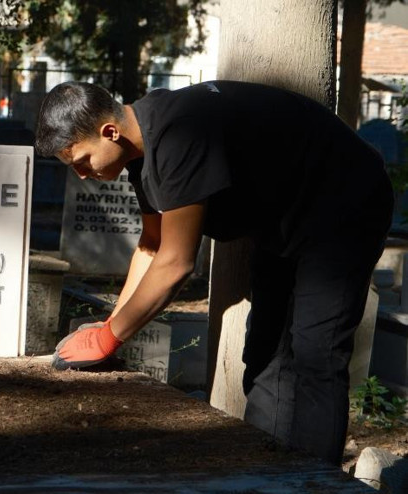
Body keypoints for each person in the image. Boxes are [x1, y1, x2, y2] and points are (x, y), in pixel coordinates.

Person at [36, 81, 393, 465]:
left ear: (110, 132)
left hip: (344, 206)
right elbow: (152, 245)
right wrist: (109, 326)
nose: (82, 175)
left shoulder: (177, 134)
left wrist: (110, 337)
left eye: (82, 161)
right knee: (264, 351)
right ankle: (261, 469)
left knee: (316, 355)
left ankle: (315, 480)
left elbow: (175, 263)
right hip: (284, 221)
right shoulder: (140, 148)